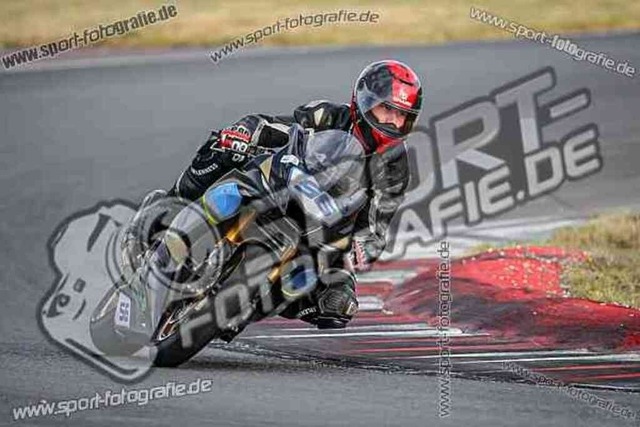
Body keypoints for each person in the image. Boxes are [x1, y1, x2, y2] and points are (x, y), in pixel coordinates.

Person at [149, 60, 423, 329]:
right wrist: (247, 134)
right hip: (283, 186)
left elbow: (378, 223)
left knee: (338, 304)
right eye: (387, 109)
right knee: (223, 148)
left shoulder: (395, 166)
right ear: (364, 101)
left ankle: (244, 308)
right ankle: (171, 205)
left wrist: (363, 246)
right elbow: (278, 128)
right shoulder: (326, 116)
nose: (394, 121)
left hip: (326, 230)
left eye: (402, 115)